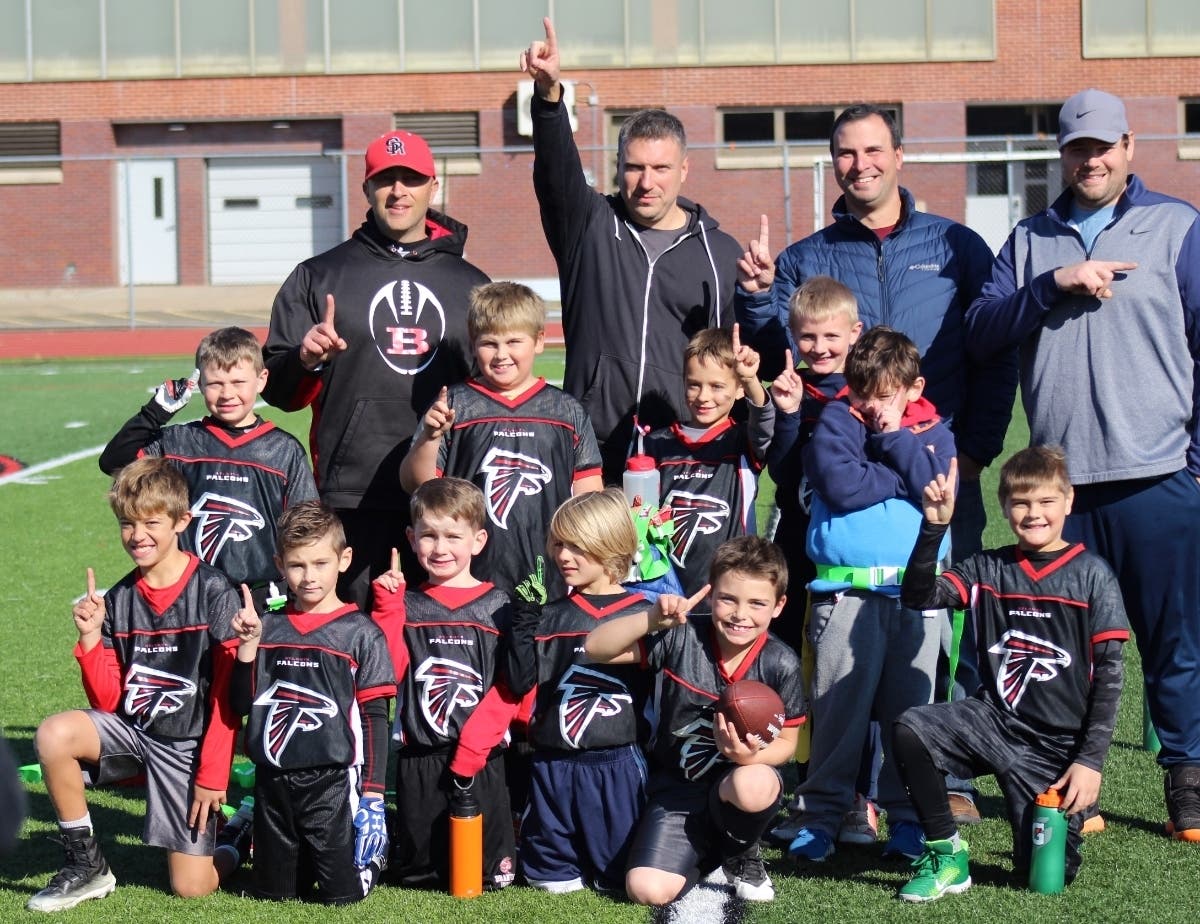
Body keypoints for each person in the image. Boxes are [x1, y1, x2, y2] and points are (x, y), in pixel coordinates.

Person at [737, 104, 1015, 823]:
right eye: (845, 153)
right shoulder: (809, 254)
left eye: (872, 150)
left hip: (936, 470)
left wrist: (978, 449)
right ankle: (841, 790)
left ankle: (938, 778)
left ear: (900, 154)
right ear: (833, 163)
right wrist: (757, 296)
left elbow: (990, 351)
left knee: (938, 628)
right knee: (834, 633)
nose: (859, 164)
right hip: (836, 475)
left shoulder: (956, 245)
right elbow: (782, 352)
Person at [966, 87, 1200, 842]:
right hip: (1062, 493)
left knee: (1175, 642)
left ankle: (1188, 784)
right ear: (1060, 154)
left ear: (1129, 146)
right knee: (1061, 654)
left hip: (1159, 474)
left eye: (1102, 146)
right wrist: (1050, 287)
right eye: (1076, 148)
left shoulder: (1177, 227)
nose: (1089, 159)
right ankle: (1068, 789)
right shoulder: (1030, 239)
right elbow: (980, 330)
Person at [262, 128, 489, 608]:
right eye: (386, 180)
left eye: (412, 179)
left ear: (434, 186)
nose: (399, 191)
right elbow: (279, 392)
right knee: (358, 647)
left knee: (441, 644)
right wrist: (305, 361)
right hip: (351, 495)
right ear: (366, 188)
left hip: (445, 502)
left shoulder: (471, 284)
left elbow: (493, 388)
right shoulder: (319, 275)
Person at [892, 447, 1129, 901]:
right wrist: (934, 527)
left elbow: (1110, 679)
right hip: (993, 723)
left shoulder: (1092, 576)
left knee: (1046, 877)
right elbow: (918, 596)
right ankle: (947, 856)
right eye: (1021, 503)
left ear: (1068, 501)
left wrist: (1089, 763)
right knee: (911, 729)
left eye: (1045, 502)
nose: (1033, 513)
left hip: (1056, 749)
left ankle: (1058, 822)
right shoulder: (987, 567)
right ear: (1004, 507)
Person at [521, 17, 744, 483]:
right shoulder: (588, 226)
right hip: (592, 449)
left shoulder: (719, 252)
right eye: (634, 167)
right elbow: (556, 172)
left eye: (661, 167)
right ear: (617, 167)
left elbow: (735, 360)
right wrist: (549, 99)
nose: (647, 182)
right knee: (591, 559)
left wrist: (761, 296)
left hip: (682, 452)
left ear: (684, 169)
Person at [27, 458, 241, 912]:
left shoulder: (214, 591)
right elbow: (109, 703)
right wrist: (90, 640)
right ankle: (86, 867)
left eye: (151, 522)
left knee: (191, 886)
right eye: (127, 524)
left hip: (187, 748)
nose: (137, 535)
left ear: (182, 521)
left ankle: (241, 831)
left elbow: (226, 695)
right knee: (53, 734)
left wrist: (213, 773)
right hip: (135, 735)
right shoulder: (119, 599)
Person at [777, 327, 955, 864]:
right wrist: (902, 469)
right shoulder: (837, 417)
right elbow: (839, 485)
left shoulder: (935, 428)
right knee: (836, 714)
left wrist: (898, 439)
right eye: (863, 394)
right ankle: (820, 817)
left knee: (912, 719)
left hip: (916, 594)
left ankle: (907, 821)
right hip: (844, 593)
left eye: (885, 395)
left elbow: (937, 485)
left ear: (913, 387)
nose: (872, 407)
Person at [585, 536, 806, 906]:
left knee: (753, 783)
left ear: (779, 605)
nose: (740, 615)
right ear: (710, 594)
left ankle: (742, 850)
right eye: (728, 599)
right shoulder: (683, 636)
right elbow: (596, 647)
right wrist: (651, 618)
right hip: (678, 786)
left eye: (757, 603)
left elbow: (789, 742)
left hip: (738, 784)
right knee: (646, 890)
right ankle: (710, 849)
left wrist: (744, 756)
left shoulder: (781, 663)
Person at [228, 501, 395, 903]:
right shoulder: (268, 626)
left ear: (344, 560)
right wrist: (247, 648)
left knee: (344, 895)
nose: (308, 577)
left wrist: (372, 794)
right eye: (297, 565)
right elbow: (240, 704)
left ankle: (375, 856)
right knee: (275, 895)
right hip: (274, 780)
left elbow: (374, 718)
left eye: (320, 563)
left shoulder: (361, 633)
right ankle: (244, 828)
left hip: (333, 782)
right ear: (279, 564)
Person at [399, 281, 603, 602]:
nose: (501, 354)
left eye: (514, 341)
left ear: (538, 341)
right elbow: (418, 485)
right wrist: (429, 437)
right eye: (489, 343)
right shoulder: (454, 404)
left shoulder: (566, 410)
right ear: (473, 343)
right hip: (468, 577)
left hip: (550, 578)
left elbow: (589, 497)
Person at [371, 478, 517, 891]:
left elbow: (514, 686)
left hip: (483, 758)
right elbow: (390, 670)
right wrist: (388, 607)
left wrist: (482, 741)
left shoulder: (498, 605)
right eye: (429, 535)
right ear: (410, 539)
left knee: (492, 876)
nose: (440, 548)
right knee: (421, 876)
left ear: (478, 540)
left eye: (453, 536)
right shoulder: (406, 603)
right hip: (420, 755)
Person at [99, 326, 317, 598]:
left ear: (261, 380)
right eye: (215, 384)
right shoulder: (180, 442)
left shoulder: (283, 450)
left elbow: (306, 527)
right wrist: (155, 412)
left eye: (238, 382)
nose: (227, 394)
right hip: (190, 594)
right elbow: (114, 461)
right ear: (200, 383)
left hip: (263, 596)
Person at [764, 276, 861, 649]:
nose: (819, 348)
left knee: (840, 636)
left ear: (855, 332)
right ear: (792, 334)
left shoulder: (867, 391)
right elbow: (783, 474)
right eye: (808, 337)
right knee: (787, 626)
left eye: (831, 336)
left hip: (847, 534)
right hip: (798, 528)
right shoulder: (792, 389)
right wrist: (788, 414)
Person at [643, 325, 774, 595]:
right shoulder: (656, 443)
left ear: (739, 390)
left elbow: (764, 421)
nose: (703, 397)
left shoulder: (743, 440)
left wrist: (751, 380)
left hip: (728, 591)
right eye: (694, 385)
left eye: (717, 386)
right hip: (665, 591)